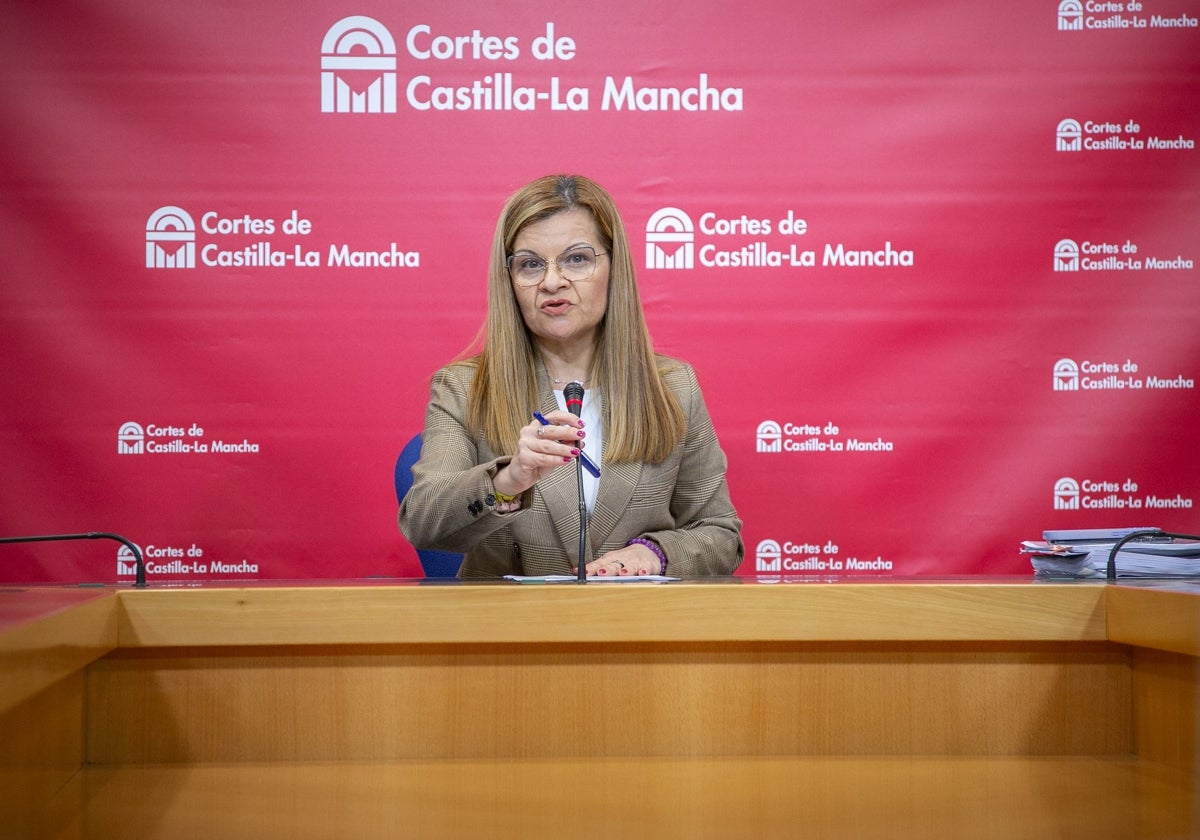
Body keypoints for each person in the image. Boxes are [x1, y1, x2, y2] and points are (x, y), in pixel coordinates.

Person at [398, 174, 743, 578]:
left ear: (613, 268)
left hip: (640, 627)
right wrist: (508, 480)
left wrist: (654, 553)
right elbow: (422, 521)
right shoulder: (464, 388)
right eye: (530, 264)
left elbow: (719, 533)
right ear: (509, 281)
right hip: (511, 630)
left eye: (576, 259)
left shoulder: (674, 388)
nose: (552, 281)